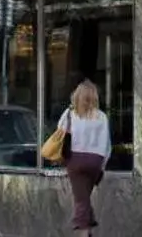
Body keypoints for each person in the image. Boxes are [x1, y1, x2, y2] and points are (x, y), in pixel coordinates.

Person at [58, 79, 111, 231]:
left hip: (75, 160)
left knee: (80, 201)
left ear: (77, 96)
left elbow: (59, 132)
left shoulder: (70, 113)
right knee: (84, 198)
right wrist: (102, 167)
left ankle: (83, 233)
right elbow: (106, 145)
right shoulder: (101, 116)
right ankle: (89, 224)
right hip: (96, 161)